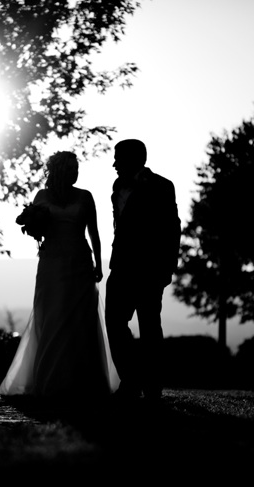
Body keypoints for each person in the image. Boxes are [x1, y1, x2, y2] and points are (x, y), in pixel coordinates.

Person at [0, 151, 120, 399]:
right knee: (51, 318)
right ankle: (50, 380)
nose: (76, 173)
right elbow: (36, 229)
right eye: (72, 168)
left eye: (77, 168)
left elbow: (94, 233)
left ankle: (82, 382)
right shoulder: (42, 196)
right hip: (51, 264)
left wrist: (98, 263)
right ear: (61, 171)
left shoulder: (86, 197)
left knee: (80, 322)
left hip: (79, 263)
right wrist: (33, 227)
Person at [105, 139, 181, 404]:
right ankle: (130, 379)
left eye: (118, 158)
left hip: (149, 270)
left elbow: (172, 228)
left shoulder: (162, 186)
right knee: (114, 323)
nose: (114, 164)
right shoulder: (117, 187)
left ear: (135, 159)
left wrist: (168, 266)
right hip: (120, 267)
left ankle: (152, 386)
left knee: (149, 328)